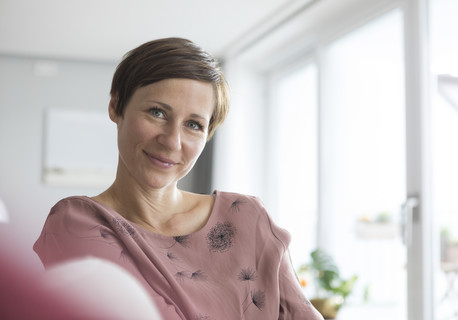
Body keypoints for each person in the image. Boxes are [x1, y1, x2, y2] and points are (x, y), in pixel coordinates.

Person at [34, 37, 324, 320]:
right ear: (116, 107)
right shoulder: (77, 222)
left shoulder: (248, 218)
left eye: (194, 125)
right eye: (157, 112)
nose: (173, 141)